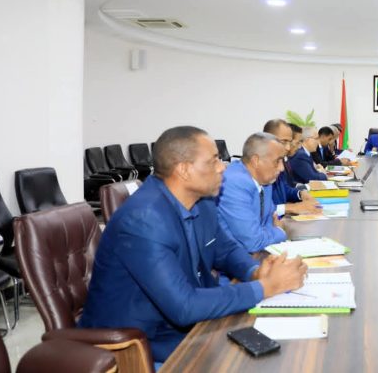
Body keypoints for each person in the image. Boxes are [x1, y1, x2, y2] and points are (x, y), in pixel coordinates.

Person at [78, 126, 307, 363]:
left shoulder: (203, 201)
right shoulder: (144, 219)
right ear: (184, 170)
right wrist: (265, 287)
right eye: (213, 161)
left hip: (190, 327)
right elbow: (184, 306)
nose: (222, 167)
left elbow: (225, 250)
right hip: (138, 345)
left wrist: (255, 271)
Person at [217, 133, 287, 253]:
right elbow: (253, 242)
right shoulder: (234, 182)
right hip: (232, 259)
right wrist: (280, 231)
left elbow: (269, 221)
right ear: (256, 161)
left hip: (257, 254)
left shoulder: (265, 180)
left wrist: (269, 232)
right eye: (277, 161)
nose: (282, 168)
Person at [263, 119, 321, 216]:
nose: (288, 147)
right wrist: (290, 208)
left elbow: (285, 188)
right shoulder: (260, 167)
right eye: (284, 141)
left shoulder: (279, 161)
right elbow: (259, 209)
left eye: (289, 142)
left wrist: (300, 194)